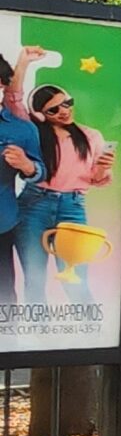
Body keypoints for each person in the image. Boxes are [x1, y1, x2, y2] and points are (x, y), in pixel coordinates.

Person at [11, 80, 113, 300]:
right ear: (40, 114)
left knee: (76, 278)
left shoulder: (90, 136)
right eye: (54, 110)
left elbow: (96, 179)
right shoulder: (34, 134)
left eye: (66, 103)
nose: (64, 111)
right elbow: (14, 101)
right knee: (34, 279)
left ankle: (87, 321)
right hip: (34, 204)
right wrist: (23, 64)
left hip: (72, 206)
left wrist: (103, 167)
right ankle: (38, 323)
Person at [0, 51, 47, 301]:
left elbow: (40, 172)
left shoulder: (22, 129)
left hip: (2, 223)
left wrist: (27, 165)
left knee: (4, 294)